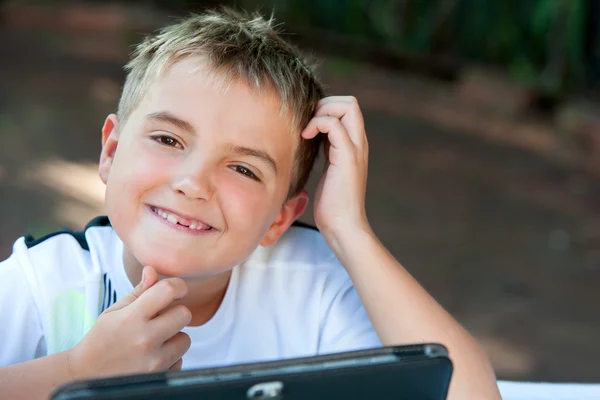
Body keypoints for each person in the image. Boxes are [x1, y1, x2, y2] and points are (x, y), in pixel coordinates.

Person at [0, 8, 501, 399]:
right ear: (111, 152)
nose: (194, 183)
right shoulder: (47, 283)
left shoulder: (314, 287)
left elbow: (471, 396)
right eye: (169, 140)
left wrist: (350, 231)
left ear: (280, 217)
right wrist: (76, 373)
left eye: (243, 168)